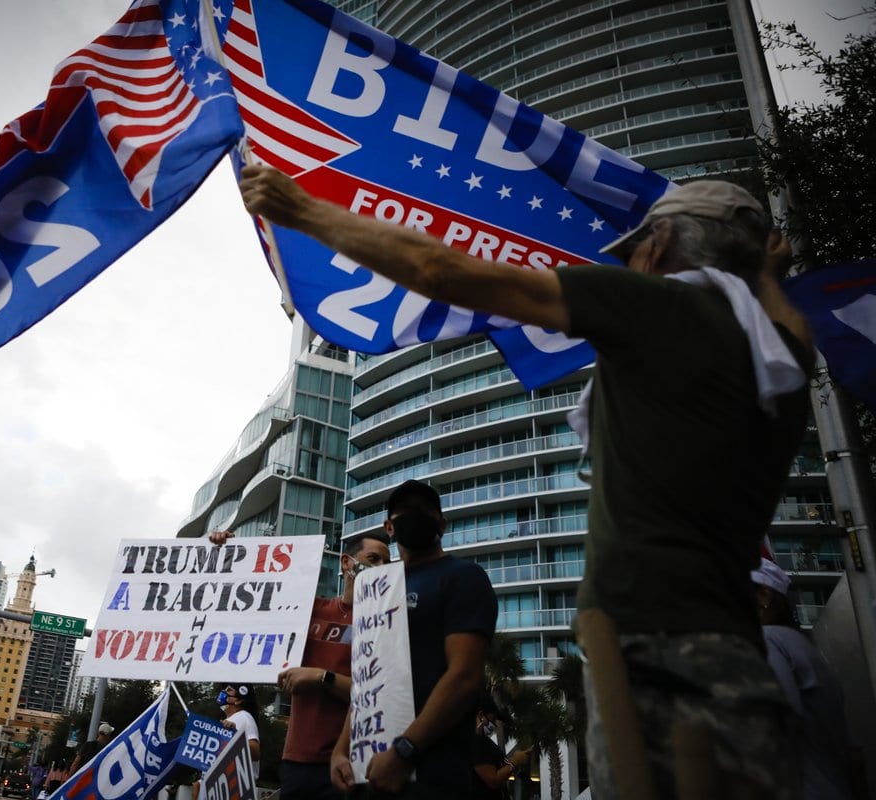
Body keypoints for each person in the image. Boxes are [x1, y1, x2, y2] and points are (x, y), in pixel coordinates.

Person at [240, 165, 814, 799]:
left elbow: (443, 274)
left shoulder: (662, 307)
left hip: (659, 655)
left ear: (665, 242)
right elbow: (790, 325)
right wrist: (764, 275)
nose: (637, 263)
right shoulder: (782, 358)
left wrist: (305, 212)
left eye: (641, 248)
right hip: (731, 647)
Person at [330, 479, 497, 799]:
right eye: (405, 511)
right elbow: (369, 679)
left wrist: (405, 751)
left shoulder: (463, 576)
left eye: (425, 510)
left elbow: (464, 677)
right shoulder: (377, 588)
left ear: (442, 525)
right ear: (389, 527)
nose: (415, 515)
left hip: (432, 776)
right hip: (369, 771)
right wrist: (342, 750)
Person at [209, 528, 392, 800]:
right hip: (298, 761)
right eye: (373, 559)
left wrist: (321, 677)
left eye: (386, 564)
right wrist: (232, 551)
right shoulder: (310, 610)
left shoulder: (386, 623)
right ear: (346, 563)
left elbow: (378, 694)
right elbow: (253, 602)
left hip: (353, 763)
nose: (380, 569)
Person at [752, 558, 866, 799]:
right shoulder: (804, 646)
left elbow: (773, 722)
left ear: (764, 595)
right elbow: (853, 753)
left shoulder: (768, 640)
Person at [471, 700, 532, 800]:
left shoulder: (486, 743)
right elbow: (493, 780)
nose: (493, 725)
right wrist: (514, 762)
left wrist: (516, 759)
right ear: (481, 715)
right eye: (493, 719)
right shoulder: (476, 743)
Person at [219, 683, 262, 762]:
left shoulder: (244, 718)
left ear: (238, 700)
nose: (223, 692)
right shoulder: (234, 718)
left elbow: (255, 753)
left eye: (228, 690)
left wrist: (236, 736)